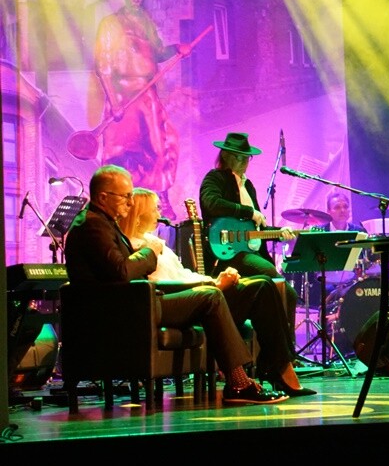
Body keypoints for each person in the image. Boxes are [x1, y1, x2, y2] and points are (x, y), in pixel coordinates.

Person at [63, 164, 286, 404]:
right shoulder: (92, 225)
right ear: (102, 197)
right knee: (210, 297)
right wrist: (150, 251)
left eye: (130, 196)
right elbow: (122, 272)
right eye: (125, 196)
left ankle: (266, 370)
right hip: (129, 310)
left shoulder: (101, 221)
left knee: (237, 290)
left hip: (140, 303)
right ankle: (239, 382)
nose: (130, 202)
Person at [121, 188, 315, 396]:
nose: (159, 214)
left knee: (264, 283)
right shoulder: (139, 249)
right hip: (187, 304)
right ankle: (277, 370)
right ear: (139, 215)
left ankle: (279, 366)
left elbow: (183, 274)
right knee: (260, 287)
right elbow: (163, 285)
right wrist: (214, 285)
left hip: (199, 293)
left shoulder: (156, 244)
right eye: (154, 209)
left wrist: (214, 279)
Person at [94, 0, 189, 220]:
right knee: (120, 154)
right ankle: (112, 206)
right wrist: (114, 103)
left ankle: (161, 198)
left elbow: (157, 53)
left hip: (147, 95)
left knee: (162, 145)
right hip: (123, 96)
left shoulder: (146, 22)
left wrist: (176, 48)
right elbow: (103, 66)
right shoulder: (110, 24)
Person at [199, 132, 299, 330]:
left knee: (288, 294)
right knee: (274, 279)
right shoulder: (215, 178)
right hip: (228, 253)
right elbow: (212, 203)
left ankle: (285, 345)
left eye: (247, 157)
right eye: (240, 157)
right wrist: (248, 211)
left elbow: (256, 228)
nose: (245, 162)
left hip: (250, 251)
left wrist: (279, 232)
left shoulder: (248, 186)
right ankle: (282, 347)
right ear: (226, 155)